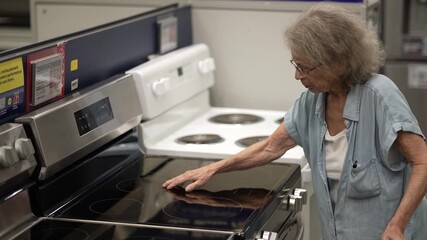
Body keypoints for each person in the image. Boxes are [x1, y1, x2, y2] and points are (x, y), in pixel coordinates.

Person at [162, 3, 427, 240]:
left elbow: (422, 161)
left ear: (339, 64)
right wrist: (213, 169)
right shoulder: (311, 102)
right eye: (296, 64)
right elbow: (270, 147)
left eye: (305, 68)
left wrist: (397, 225)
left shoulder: (380, 95)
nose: (297, 75)